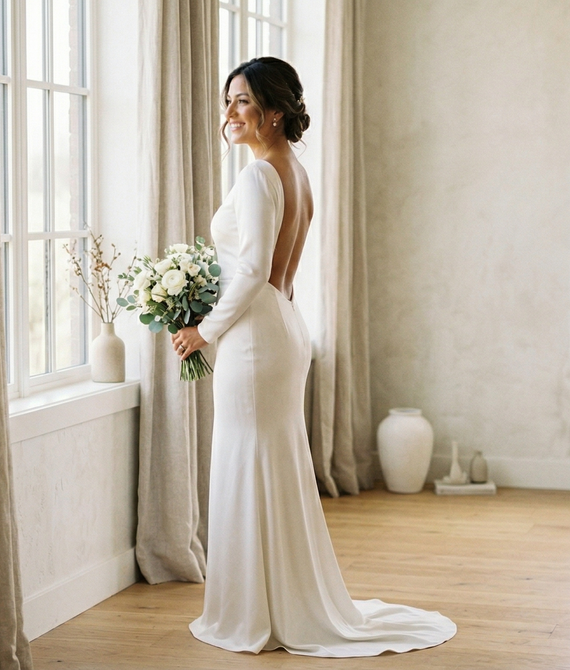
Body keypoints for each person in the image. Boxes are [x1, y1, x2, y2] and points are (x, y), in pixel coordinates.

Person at [170, 57, 457, 658]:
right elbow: (281, 276)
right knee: (271, 462)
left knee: (249, 462)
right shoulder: (294, 172)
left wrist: (205, 330)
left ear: (275, 111)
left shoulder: (256, 178)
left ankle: (253, 613)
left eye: (242, 101)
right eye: (228, 100)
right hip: (282, 327)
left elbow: (249, 270)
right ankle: (280, 602)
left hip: (253, 337)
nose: (229, 113)